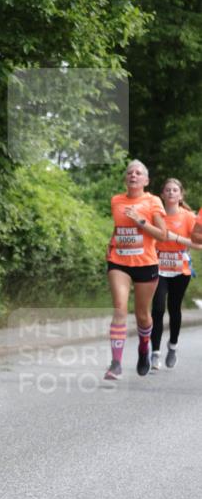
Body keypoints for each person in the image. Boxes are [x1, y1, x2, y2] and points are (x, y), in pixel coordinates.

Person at [104, 160, 166, 381]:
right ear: (125, 178)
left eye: (138, 173)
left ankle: (143, 347)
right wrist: (112, 242)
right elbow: (119, 228)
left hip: (145, 263)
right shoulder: (116, 201)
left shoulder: (153, 201)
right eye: (130, 172)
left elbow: (162, 234)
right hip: (118, 261)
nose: (133, 175)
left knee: (143, 316)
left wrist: (140, 221)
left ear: (146, 180)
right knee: (120, 308)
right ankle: (116, 364)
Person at [151, 179, 198, 370]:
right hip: (159, 266)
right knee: (158, 308)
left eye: (175, 190)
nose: (171, 193)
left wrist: (176, 238)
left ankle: (173, 346)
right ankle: (155, 353)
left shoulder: (188, 217)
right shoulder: (156, 216)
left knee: (174, 308)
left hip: (180, 269)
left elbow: (199, 244)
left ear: (181, 195)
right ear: (162, 195)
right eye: (167, 190)